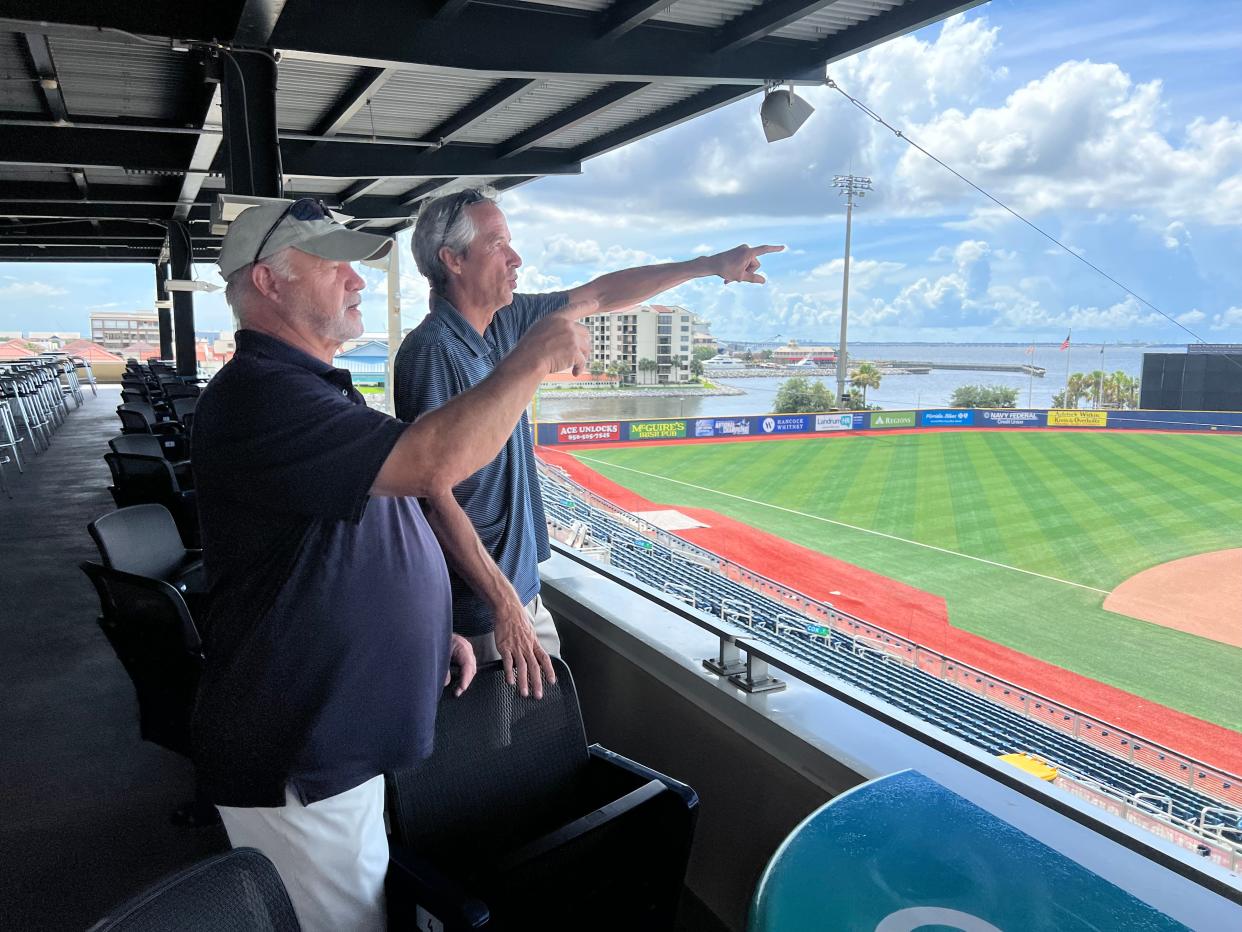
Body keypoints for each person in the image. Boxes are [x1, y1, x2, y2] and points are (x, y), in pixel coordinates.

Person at [191, 198, 588, 932]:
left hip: (336, 733)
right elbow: (433, 464)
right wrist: (531, 358)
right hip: (301, 752)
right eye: (334, 264)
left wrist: (424, 631)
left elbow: (343, 540)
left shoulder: (304, 389)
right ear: (269, 283)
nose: (358, 281)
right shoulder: (263, 396)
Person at [395, 186, 781, 697]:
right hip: (480, 616)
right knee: (501, 749)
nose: (516, 258)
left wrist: (710, 264)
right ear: (454, 260)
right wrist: (504, 604)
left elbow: (601, 294)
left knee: (534, 727)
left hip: (517, 595)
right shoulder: (431, 350)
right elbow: (432, 494)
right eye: (497, 245)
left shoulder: (505, 321)